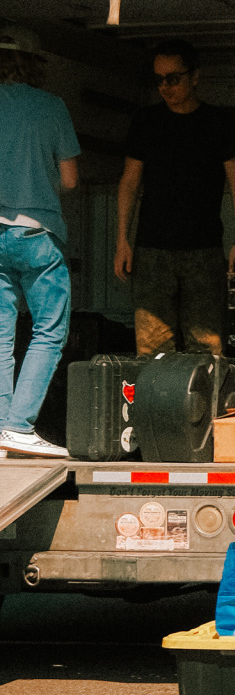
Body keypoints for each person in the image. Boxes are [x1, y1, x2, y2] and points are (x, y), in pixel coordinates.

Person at [115, 40, 235, 358]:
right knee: (151, 346)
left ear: (195, 77)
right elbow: (129, 182)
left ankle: (203, 408)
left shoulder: (219, 123)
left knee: (207, 344)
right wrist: (122, 240)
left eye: (173, 78)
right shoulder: (146, 121)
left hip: (203, 251)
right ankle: (157, 407)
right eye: (158, 79)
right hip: (151, 251)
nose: (165, 86)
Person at [0, 29, 80, 460]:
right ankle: (17, 425)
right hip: (36, 233)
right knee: (49, 330)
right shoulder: (51, 107)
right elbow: (69, 179)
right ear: (32, 66)